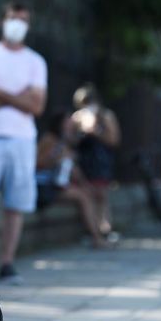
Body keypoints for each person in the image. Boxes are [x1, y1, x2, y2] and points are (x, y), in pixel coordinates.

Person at [0, 1, 47, 283]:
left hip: (22, 139)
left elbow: (36, 105)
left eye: (23, 19)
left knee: (16, 204)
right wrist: (19, 97)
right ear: (3, 20)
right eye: (13, 18)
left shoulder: (35, 61)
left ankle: (6, 263)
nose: (17, 23)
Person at [36, 112, 107, 248]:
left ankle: (99, 232)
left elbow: (74, 171)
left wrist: (86, 184)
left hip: (58, 184)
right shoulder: (49, 140)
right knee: (83, 197)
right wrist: (55, 158)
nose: (71, 125)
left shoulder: (65, 143)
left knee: (92, 193)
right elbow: (36, 163)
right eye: (67, 122)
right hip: (45, 186)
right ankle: (96, 238)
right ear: (60, 124)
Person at [69, 84, 121, 238]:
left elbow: (114, 140)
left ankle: (105, 228)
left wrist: (95, 131)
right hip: (84, 160)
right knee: (88, 193)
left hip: (100, 159)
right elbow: (71, 141)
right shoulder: (76, 118)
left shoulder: (106, 116)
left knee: (101, 194)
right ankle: (93, 230)